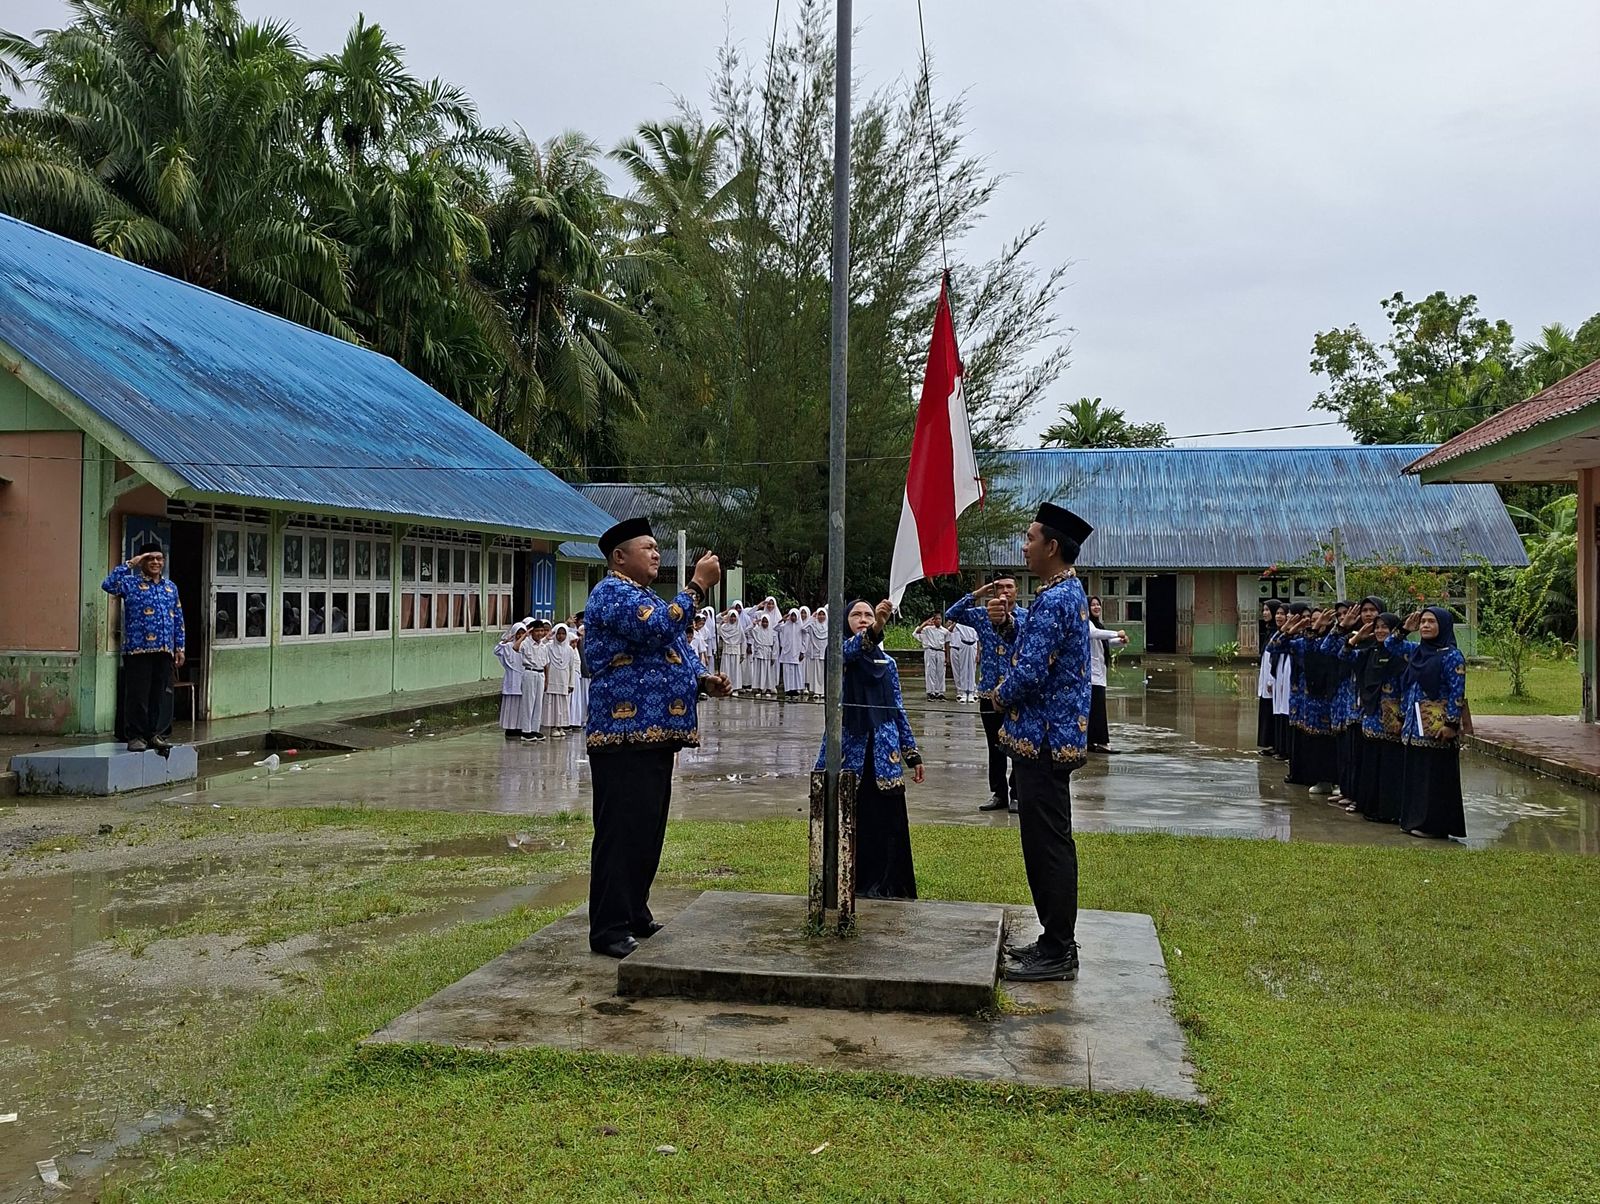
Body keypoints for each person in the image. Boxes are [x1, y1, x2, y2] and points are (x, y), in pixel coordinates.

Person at [584, 517, 731, 958]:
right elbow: (654, 629)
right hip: (621, 734)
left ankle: (634, 912)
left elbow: (675, 649)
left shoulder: (645, 597)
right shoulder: (612, 593)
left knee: (647, 828)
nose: (655, 553)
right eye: (646, 547)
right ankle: (608, 927)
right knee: (620, 829)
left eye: (656, 547)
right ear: (619, 557)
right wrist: (697, 587)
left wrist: (702, 680)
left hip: (655, 734)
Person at [993, 503, 1094, 983]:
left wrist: (998, 695)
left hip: (1046, 740)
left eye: (1031, 538)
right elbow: (1032, 647)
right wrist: (1009, 625)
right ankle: (1053, 940)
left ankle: (1059, 949)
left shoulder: (1056, 599)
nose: (1025, 545)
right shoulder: (1059, 593)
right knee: (1043, 841)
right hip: (1044, 739)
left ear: (1052, 547)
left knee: (1048, 845)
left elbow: (1030, 670)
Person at [815, 598, 924, 898]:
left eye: (867, 614)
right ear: (844, 621)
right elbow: (853, 649)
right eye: (856, 614)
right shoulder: (838, 655)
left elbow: (897, 708)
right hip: (851, 751)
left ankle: (889, 886)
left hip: (884, 753)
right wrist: (877, 625)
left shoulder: (888, 664)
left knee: (887, 822)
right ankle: (852, 884)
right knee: (852, 819)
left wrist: (911, 753)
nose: (863, 618)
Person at [946, 576, 1028, 813]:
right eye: (999, 587)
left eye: (1009, 587)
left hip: (1015, 692)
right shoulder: (982, 615)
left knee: (1017, 745)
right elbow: (953, 614)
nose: (1004, 591)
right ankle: (998, 793)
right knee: (995, 746)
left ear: (1017, 591)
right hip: (989, 692)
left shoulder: (1026, 617)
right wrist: (978, 593)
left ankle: (1017, 793)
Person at [102, 544, 186, 753]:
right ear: (143, 562)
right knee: (138, 695)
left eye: (159, 558)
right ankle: (136, 736)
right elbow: (108, 584)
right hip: (138, 650)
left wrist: (180, 647)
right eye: (151, 559)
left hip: (164, 649)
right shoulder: (130, 583)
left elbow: (178, 618)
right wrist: (131, 563)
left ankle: (154, 734)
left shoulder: (170, 587)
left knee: (158, 695)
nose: (156, 562)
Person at [1398, 606, 1468, 840]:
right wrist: (1404, 630)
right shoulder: (1418, 652)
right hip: (1414, 726)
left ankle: (1434, 825)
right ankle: (1414, 820)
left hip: (1437, 728)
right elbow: (1390, 647)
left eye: (1431, 622)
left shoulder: (1452, 656)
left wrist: (1451, 724)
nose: (1425, 626)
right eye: (1423, 622)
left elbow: (1457, 691)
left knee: (1435, 778)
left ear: (1444, 626)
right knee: (1417, 776)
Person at [1349, 611, 1408, 823]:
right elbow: (1341, 654)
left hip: (1393, 719)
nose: (1380, 631)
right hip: (1372, 715)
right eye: (1377, 627)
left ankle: (1390, 811)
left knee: (1390, 765)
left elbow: (1407, 687)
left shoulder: (1402, 653)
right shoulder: (1370, 651)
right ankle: (1370, 806)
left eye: (1385, 627)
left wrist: (1402, 716)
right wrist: (1357, 637)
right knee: (1371, 762)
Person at [1086, 595, 1128, 753]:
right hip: (1091, 676)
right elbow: (1094, 634)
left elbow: (1104, 641)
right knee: (1097, 711)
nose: (1096, 607)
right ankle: (1102, 743)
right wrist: (1117, 632)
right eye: (1093, 605)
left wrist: (1119, 641)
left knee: (1094, 710)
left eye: (1098, 605)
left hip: (1098, 674)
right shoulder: (1087, 623)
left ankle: (1090, 742)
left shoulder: (1098, 624)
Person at [1254, 601, 1282, 754]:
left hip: (1273, 679)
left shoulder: (1278, 633)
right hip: (1266, 678)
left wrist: (1271, 679)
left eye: (1267, 610)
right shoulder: (1270, 631)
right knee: (1267, 710)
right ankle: (1270, 744)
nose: (1264, 613)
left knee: (1273, 712)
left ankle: (1275, 745)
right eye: (1263, 610)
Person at [517, 620, 549, 741]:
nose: (540, 633)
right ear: (531, 632)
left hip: (540, 674)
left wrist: (546, 680)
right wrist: (525, 635)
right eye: (537, 631)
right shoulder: (526, 643)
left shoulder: (544, 646)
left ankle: (535, 729)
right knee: (528, 702)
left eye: (542, 631)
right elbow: (516, 647)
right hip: (529, 672)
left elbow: (546, 665)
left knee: (538, 703)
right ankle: (526, 731)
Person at [495, 621, 527, 739]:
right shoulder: (508, 647)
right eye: (518, 633)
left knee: (521, 706)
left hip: (523, 679)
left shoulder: (526, 646)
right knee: (511, 706)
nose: (520, 636)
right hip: (511, 679)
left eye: (522, 633)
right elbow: (497, 651)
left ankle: (520, 727)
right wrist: (506, 641)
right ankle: (510, 727)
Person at [545, 623, 576, 736]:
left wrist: (571, 683)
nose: (561, 636)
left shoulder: (569, 650)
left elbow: (572, 667)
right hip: (552, 678)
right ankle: (553, 727)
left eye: (563, 634)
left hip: (564, 679)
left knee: (562, 705)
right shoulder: (549, 647)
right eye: (559, 633)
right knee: (552, 704)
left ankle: (561, 726)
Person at [914, 616, 948, 699]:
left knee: (941, 672)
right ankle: (931, 691)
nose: (938, 621)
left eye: (940, 619)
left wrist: (947, 656)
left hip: (940, 651)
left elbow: (947, 643)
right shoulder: (928, 629)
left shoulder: (944, 631)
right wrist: (925, 623)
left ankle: (940, 691)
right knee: (930, 671)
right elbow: (917, 632)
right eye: (936, 619)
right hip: (930, 650)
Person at [948, 619, 979, 703]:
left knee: (972, 669)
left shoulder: (975, 621)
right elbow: (949, 630)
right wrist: (955, 622)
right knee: (963, 669)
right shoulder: (960, 622)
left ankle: (972, 692)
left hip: (973, 645)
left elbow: (979, 639)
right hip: (964, 644)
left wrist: (978, 653)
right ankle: (964, 692)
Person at [778, 609, 805, 698]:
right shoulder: (785, 625)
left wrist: (802, 651)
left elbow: (804, 639)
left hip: (797, 652)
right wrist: (783, 619)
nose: (793, 618)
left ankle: (795, 689)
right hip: (787, 652)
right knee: (787, 671)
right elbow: (775, 628)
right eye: (791, 616)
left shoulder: (801, 626)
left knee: (796, 671)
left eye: (794, 616)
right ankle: (788, 689)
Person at [750, 613, 779, 696]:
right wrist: (753, 624)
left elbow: (775, 645)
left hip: (768, 654)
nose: (765, 624)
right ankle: (759, 688)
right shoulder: (757, 630)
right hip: (759, 653)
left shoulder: (772, 632)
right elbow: (747, 631)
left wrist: (774, 656)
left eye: (766, 622)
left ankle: (768, 689)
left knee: (768, 672)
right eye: (763, 622)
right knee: (759, 671)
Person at [717, 609, 745, 692]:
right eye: (731, 617)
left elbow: (743, 641)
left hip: (736, 651)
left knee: (735, 670)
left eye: (734, 617)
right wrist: (722, 623)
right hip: (727, 650)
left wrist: (743, 653)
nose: (733, 619)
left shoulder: (739, 628)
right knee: (726, 669)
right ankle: (725, 687)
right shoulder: (724, 627)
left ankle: (735, 688)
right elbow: (718, 632)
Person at [805, 606, 830, 697]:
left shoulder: (828, 626)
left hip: (825, 653)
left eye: (823, 614)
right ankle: (816, 691)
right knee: (815, 672)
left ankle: (823, 691)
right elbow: (803, 628)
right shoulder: (813, 625)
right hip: (815, 652)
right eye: (819, 614)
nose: (821, 616)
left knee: (823, 673)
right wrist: (812, 618)